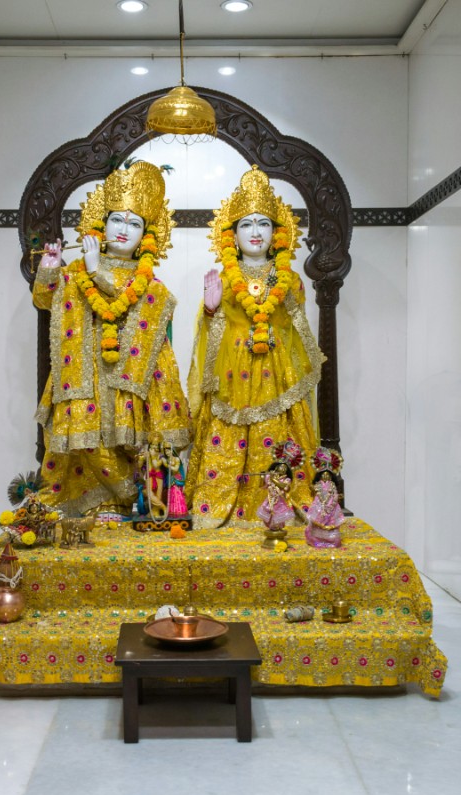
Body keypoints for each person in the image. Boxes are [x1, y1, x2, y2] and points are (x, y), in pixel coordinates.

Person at [33, 161, 190, 518]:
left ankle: (130, 502)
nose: (124, 230)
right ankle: (87, 504)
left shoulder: (148, 283)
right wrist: (51, 267)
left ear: (146, 236)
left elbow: (131, 301)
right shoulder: (78, 271)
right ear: (101, 226)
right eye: (117, 220)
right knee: (83, 443)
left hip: (129, 377)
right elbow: (45, 299)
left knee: (126, 442)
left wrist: (94, 270)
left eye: (134, 224)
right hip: (83, 374)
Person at [186, 166, 325, 528]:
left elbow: (298, 331)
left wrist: (275, 336)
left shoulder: (289, 279)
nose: (255, 232)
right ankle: (220, 512)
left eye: (263, 223)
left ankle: (279, 508)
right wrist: (211, 309)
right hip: (232, 377)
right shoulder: (223, 278)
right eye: (246, 224)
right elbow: (209, 332)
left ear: (276, 233)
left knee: (279, 441)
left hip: (277, 375)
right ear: (232, 234)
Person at [304, 446, 345, 548]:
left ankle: (331, 540)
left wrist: (333, 503)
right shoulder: (318, 485)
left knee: (331, 523)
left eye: (328, 475)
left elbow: (335, 494)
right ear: (320, 476)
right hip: (319, 505)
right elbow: (314, 494)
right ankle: (317, 540)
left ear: (331, 477)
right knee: (318, 521)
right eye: (324, 475)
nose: (326, 477)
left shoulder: (332, 485)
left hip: (331, 506)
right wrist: (313, 490)